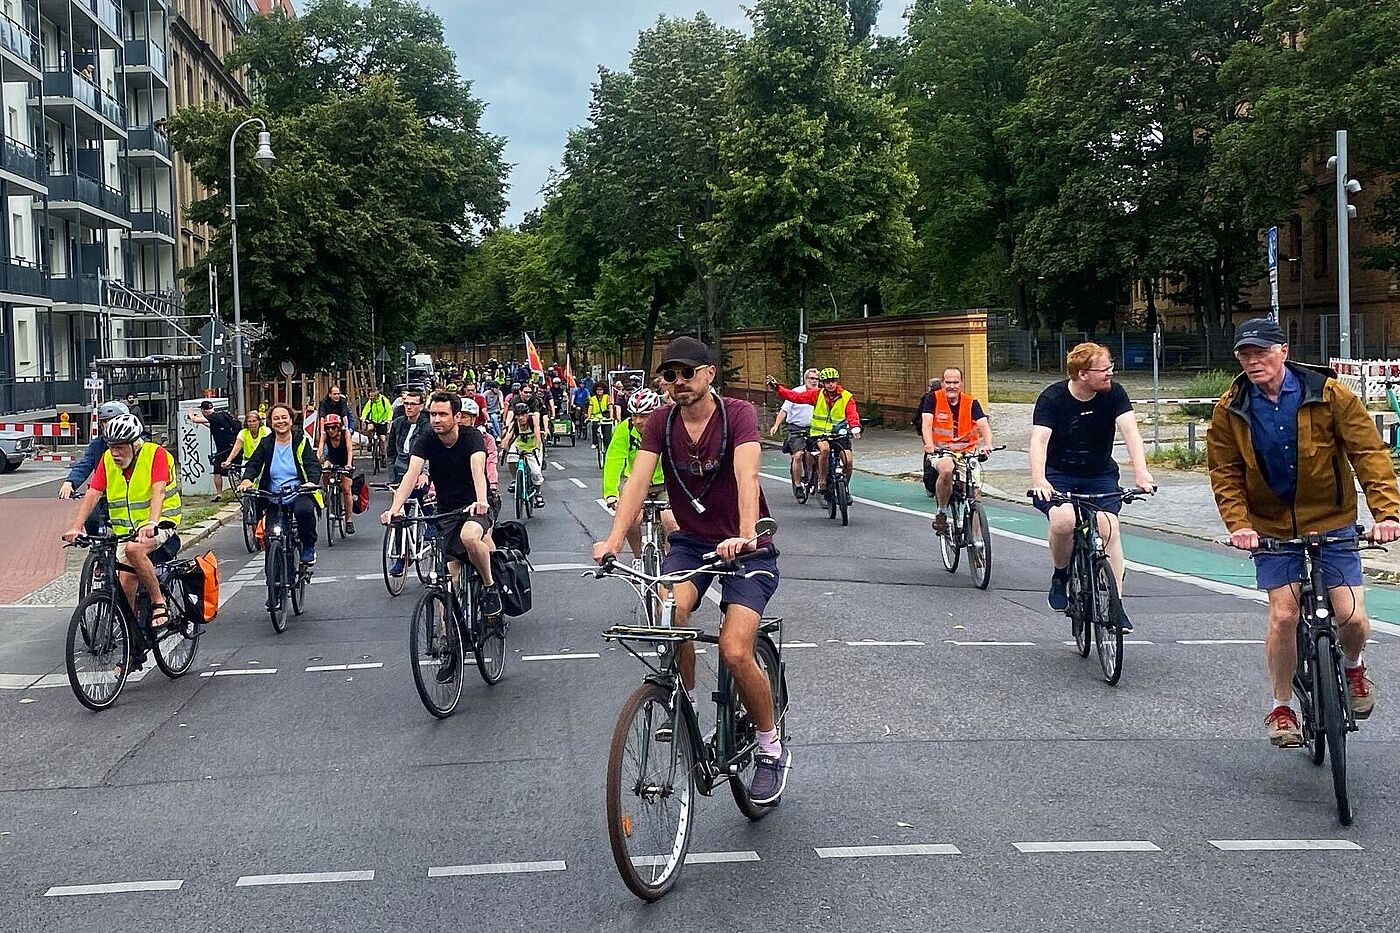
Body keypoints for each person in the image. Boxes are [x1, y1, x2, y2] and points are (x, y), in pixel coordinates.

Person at [593, 336, 788, 806]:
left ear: (708, 375)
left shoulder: (737, 415)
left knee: (736, 650)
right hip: (693, 544)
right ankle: (687, 707)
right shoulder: (660, 422)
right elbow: (637, 481)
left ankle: (769, 748)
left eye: (687, 373)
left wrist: (744, 533)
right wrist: (613, 542)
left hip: (746, 548)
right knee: (669, 612)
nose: (678, 382)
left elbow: (748, 475)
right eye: (670, 375)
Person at [1207, 318, 1400, 746]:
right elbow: (1225, 472)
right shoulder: (1231, 407)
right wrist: (1239, 525)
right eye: (1244, 354)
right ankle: (1281, 707)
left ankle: (1353, 668)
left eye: (1261, 352)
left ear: (1283, 351)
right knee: (1284, 615)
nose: (1253, 361)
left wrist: (1387, 514)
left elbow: (1368, 453)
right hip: (1271, 526)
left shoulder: (1329, 394)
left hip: (1332, 519)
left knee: (1352, 616)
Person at [1029, 342, 1154, 632]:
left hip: (1099, 474)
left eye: (1111, 367)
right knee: (1064, 521)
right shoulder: (1053, 398)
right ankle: (1061, 575)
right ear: (1083, 374)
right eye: (1105, 369)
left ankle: (1116, 606)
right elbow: (1039, 442)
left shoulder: (1115, 394)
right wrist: (1039, 480)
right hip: (1059, 474)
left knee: (1109, 527)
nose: (1111, 373)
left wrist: (1141, 473)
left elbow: (1131, 433)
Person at [382, 392, 503, 677]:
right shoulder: (426, 440)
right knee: (447, 584)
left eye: (442, 415)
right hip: (447, 512)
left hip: (477, 505)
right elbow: (411, 474)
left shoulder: (472, 438)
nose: (436, 420)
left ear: (456, 417)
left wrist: (481, 499)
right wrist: (395, 508)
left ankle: (489, 588)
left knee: (471, 537)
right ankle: (450, 647)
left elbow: (477, 469)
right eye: (433, 415)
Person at [63, 413, 183, 671]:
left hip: (161, 525)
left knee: (133, 550)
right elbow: (94, 493)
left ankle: (159, 603)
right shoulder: (107, 461)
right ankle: (134, 647)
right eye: (111, 447)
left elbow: (158, 490)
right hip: (125, 530)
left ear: (134, 444)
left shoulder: (156, 455)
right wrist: (75, 527)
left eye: (119, 447)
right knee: (124, 583)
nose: (114, 453)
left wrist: (151, 523)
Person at [239, 403, 323, 568]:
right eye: (276, 418)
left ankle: (307, 547)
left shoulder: (301, 441)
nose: (280, 421)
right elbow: (254, 464)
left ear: (291, 420)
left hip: (299, 491)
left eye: (284, 417)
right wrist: (247, 479)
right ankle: (273, 579)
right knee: (270, 535)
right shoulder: (266, 443)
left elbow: (312, 464)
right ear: (270, 422)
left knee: (304, 511)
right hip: (274, 496)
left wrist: (311, 482)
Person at [769, 367, 862, 504]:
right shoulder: (816, 395)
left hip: (838, 433)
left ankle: (844, 488)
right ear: (823, 383)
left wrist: (855, 427)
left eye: (833, 381)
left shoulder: (846, 396)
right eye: (827, 381)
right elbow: (795, 397)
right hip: (819, 433)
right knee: (824, 450)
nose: (831, 384)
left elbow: (852, 413)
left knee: (848, 460)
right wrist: (778, 388)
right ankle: (822, 481)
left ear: (837, 381)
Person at [603, 387, 675, 555]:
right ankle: (638, 557)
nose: (637, 421)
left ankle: (673, 562)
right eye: (634, 415)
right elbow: (613, 460)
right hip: (636, 485)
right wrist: (611, 493)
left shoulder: (669, 428)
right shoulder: (625, 429)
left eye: (644, 416)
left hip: (665, 485)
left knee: (671, 523)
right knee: (630, 521)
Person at [922, 367, 993, 534]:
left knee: (974, 492)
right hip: (941, 450)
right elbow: (927, 423)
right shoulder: (933, 399)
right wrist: (929, 444)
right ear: (942, 383)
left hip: (966, 451)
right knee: (946, 469)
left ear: (961, 383)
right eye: (948, 382)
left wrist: (988, 443)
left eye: (955, 382)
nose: (951, 386)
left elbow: (983, 424)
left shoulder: (971, 402)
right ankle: (942, 512)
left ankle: (977, 537)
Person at [58, 401, 129, 535]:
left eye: (111, 420)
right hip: (103, 494)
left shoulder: (137, 444)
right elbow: (85, 463)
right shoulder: (98, 444)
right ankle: (96, 547)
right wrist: (70, 482)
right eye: (104, 422)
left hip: (129, 497)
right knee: (90, 518)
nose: (107, 425)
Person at [769, 368, 818, 498]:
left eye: (816, 379)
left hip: (814, 429)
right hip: (796, 428)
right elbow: (784, 410)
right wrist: (776, 425)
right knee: (798, 455)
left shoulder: (821, 393)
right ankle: (797, 485)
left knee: (813, 454)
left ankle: (812, 478)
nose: (814, 381)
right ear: (805, 380)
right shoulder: (797, 392)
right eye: (811, 379)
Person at [188, 400, 241, 500]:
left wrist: (190, 412)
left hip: (222, 450)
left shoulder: (212, 417)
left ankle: (219, 494)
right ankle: (242, 488)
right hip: (233, 447)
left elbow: (194, 419)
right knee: (238, 469)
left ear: (203, 410)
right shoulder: (221, 416)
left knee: (217, 472)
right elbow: (210, 425)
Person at [500, 401, 545, 508]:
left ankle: (538, 494)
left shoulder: (533, 420)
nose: (521, 418)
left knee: (535, 472)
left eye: (523, 414)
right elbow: (507, 437)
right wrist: (503, 449)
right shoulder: (514, 423)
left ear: (527, 414)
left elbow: (537, 434)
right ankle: (515, 480)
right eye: (518, 415)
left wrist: (537, 448)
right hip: (519, 445)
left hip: (533, 447)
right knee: (510, 458)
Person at [318, 412, 356, 534]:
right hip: (332, 459)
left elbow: (350, 450)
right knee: (325, 468)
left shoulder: (346, 433)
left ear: (338, 427)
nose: (330, 430)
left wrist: (349, 465)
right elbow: (320, 450)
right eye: (328, 428)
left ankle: (349, 520)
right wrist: (316, 462)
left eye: (333, 427)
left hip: (345, 461)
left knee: (346, 489)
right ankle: (326, 490)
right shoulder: (325, 435)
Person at [387, 390, 429, 484]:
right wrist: (392, 475)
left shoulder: (428, 426)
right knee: (399, 497)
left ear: (421, 406)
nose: (409, 407)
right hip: (400, 469)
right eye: (406, 403)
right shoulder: (397, 423)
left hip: (420, 471)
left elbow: (430, 452)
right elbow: (391, 451)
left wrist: (425, 473)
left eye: (413, 404)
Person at [221, 410, 270, 478]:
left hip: (263, 462)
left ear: (259, 421)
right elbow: (237, 447)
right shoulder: (243, 433)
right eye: (249, 421)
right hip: (248, 462)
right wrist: (228, 460)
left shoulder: (266, 431)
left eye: (254, 421)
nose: (252, 423)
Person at [360, 387, 394, 464]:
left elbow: (389, 410)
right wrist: (363, 418)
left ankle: (383, 456)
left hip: (382, 421)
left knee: (382, 439)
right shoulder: (370, 402)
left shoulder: (383, 400)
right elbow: (366, 410)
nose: (370, 398)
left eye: (372, 396)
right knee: (369, 429)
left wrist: (388, 420)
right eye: (370, 396)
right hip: (373, 420)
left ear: (377, 396)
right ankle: (370, 441)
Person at [586, 381, 613, 448]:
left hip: (606, 417)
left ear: (604, 390)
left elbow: (610, 407)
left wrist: (611, 416)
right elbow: (590, 408)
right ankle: (595, 443)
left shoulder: (607, 397)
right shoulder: (592, 399)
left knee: (607, 434)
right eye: (597, 389)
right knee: (594, 426)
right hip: (596, 417)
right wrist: (588, 417)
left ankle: (607, 446)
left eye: (601, 389)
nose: (599, 391)